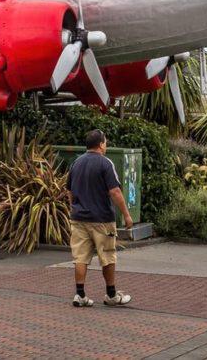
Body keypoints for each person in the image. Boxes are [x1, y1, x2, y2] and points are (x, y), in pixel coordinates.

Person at [66, 129, 134, 308]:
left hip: (79, 218)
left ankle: (80, 294)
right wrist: (126, 215)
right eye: (106, 142)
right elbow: (115, 191)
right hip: (102, 219)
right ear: (101, 144)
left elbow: (69, 191)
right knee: (108, 256)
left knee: (80, 257)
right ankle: (111, 294)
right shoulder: (106, 163)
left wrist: (73, 208)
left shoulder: (76, 163)